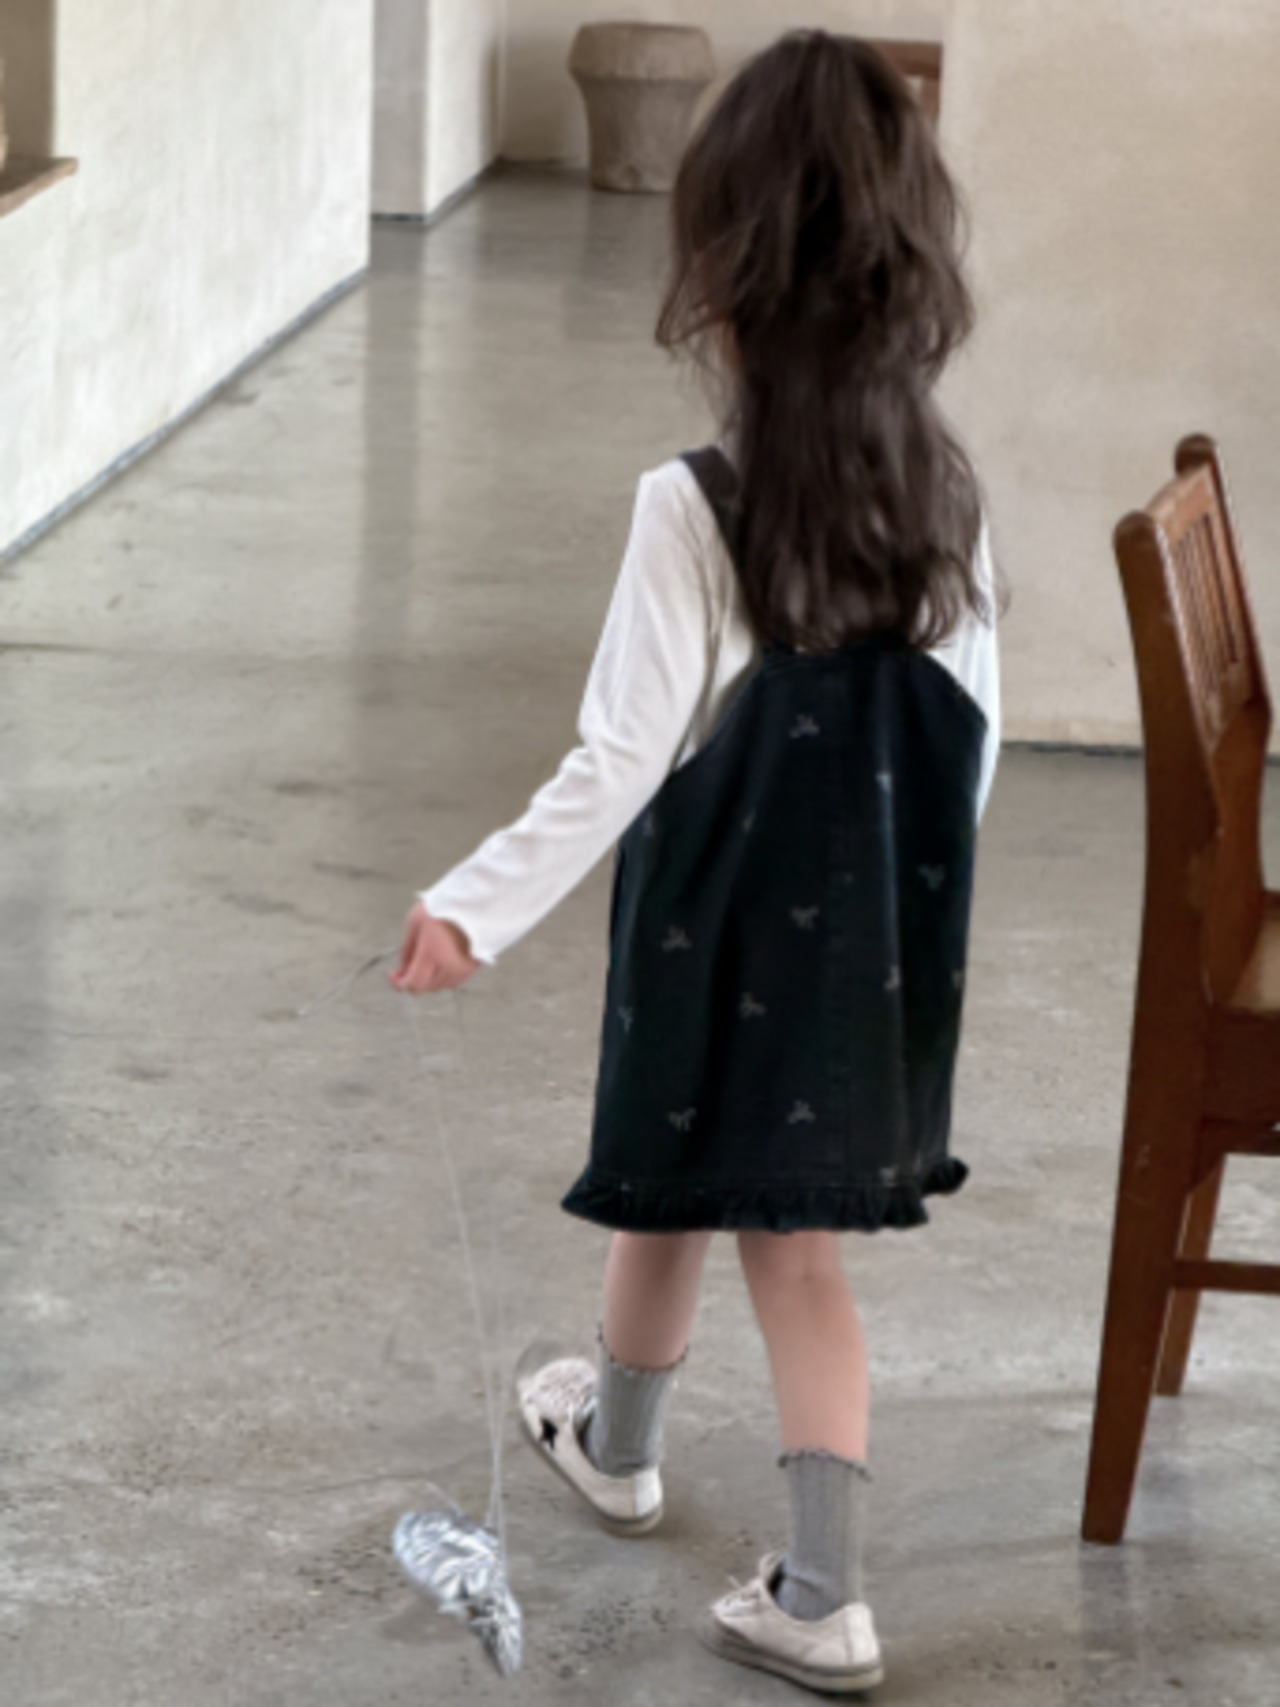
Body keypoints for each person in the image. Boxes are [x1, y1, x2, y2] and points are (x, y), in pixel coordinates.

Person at [392, 30, 1000, 1697]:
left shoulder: (695, 507)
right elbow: (975, 742)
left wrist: (470, 908)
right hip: (874, 957)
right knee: (743, 1227)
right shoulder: (949, 496)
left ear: (723, 280)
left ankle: (821, 1595)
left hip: (708, 936)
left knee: (699, 1195)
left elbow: (618, 759)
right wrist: (906, 915)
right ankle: (627, 1453)